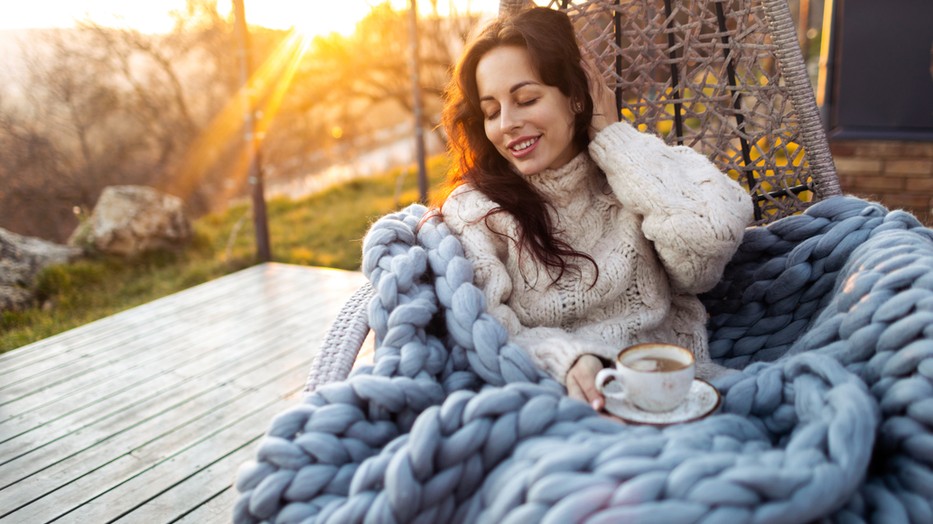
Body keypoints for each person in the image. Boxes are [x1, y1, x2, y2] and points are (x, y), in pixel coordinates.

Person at [438, 7, 753, 413]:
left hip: (675, 388)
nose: (507, 124)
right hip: (559, 401)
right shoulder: (476, 210)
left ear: (574, 96)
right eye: (492, 111)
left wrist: (614, 139)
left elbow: (707, 249)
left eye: (526, 99)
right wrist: (568, 358)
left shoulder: (634, 172)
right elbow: (486, 328)